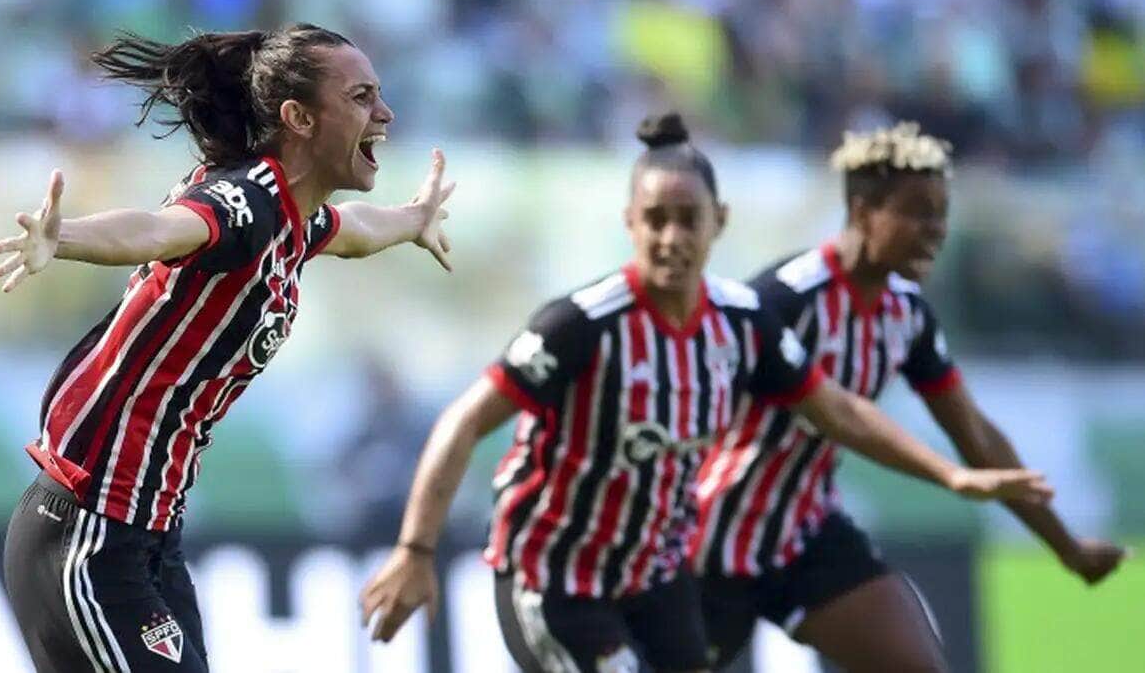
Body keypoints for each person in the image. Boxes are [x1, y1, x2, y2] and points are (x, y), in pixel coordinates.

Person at [358, 114, 1050, 673]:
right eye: (655, 219)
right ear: (630, 222)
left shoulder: (743, 324)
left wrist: (950, 474)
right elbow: (463, 421)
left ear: (719, 220)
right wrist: (415, 550)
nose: (671, 237)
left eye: (688, 219)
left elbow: (839, 412)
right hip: (556, 579)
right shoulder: (581, 326)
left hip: (656, 577)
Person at [0, 24, 455, 673]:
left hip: (149, 536)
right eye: (361, 96)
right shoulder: (246, 204)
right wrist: (62, 239)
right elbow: (160, 230)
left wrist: (411, 221)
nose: (384, 113)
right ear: (298, 118)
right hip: (89, 531)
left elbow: (351, 230)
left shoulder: (295, 218)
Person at [691, 122, 1127, 672]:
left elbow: (974, 433)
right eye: (918, 213)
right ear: (862, 211)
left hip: (805, 535)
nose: (935, 231)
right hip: (711, 542)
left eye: (941, 215)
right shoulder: (784, 299)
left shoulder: (908, 315)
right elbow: (825, 413)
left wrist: (1067, 546)